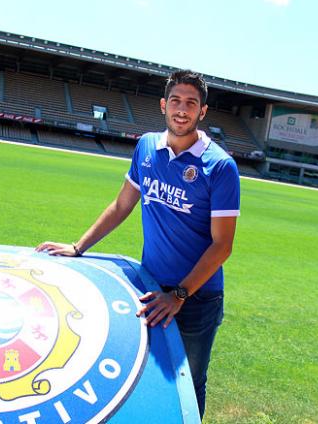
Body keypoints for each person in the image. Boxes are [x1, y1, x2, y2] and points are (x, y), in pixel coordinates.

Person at [36, 69, 240, 419]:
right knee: (146, 379)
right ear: (164, 104)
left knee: (188, 383)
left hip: (196, 297)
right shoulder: (147, 146)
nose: (182, 109)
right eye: (175, 100)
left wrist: (179, 295)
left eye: (191, 103)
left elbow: (222, 246)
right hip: (148, 287)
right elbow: (121, 206)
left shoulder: (220, 166)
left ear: (202, 112)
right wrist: (78, 247)